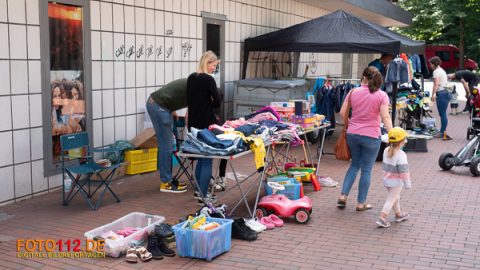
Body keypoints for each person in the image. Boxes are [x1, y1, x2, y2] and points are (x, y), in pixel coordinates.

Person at [337, 66, 393, 211]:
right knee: (366, 170)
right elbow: (385, 117)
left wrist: (351, 124)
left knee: (354, 165)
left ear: (364, 77)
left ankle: (343, 195)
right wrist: (392, 134)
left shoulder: (353, 91)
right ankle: (361, 203)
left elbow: (343, 112)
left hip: (353, 134)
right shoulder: (382, 95)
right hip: (371, 136)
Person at [187, 51, 222, 204]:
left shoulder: (191, 78)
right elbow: (217, 102)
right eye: (214, 65)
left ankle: (198, 191)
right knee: (207, 158)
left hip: (193, 121)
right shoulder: (208, 79)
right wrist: (210, 100)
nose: (215, 68)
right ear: (207, 63)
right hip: (206, 122)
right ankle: (203, 195)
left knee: (201, 157)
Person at [146, 79, 188, 193]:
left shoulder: (191, 82)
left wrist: (172, 109)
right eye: (213, 65)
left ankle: (167, 180)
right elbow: (188, 116)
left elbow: (172, 93)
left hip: (158, 104)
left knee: (166, 144)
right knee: (167, 145)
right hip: (159, 107)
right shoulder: (197, 89)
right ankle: (166, 183)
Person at [376, 127, 411, 228]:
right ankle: (382, 218)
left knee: (395, 197)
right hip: (396, 182)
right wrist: (407, 184)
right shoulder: (401, 155)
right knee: (391, 199)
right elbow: (404, 172)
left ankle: (398, 215)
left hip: (387, 180)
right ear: (401, 142)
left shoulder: (386, 150)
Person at [430, 56, 452, 141]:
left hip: (442, 93)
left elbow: (436, 84)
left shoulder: (436, 72)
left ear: (435, 64)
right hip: (446, 92)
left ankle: (443, 132)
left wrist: (433, 95)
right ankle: (443, 131)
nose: (430, 65)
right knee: (443, 114)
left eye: (431, 64)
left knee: (442, 114)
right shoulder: (442, 70)